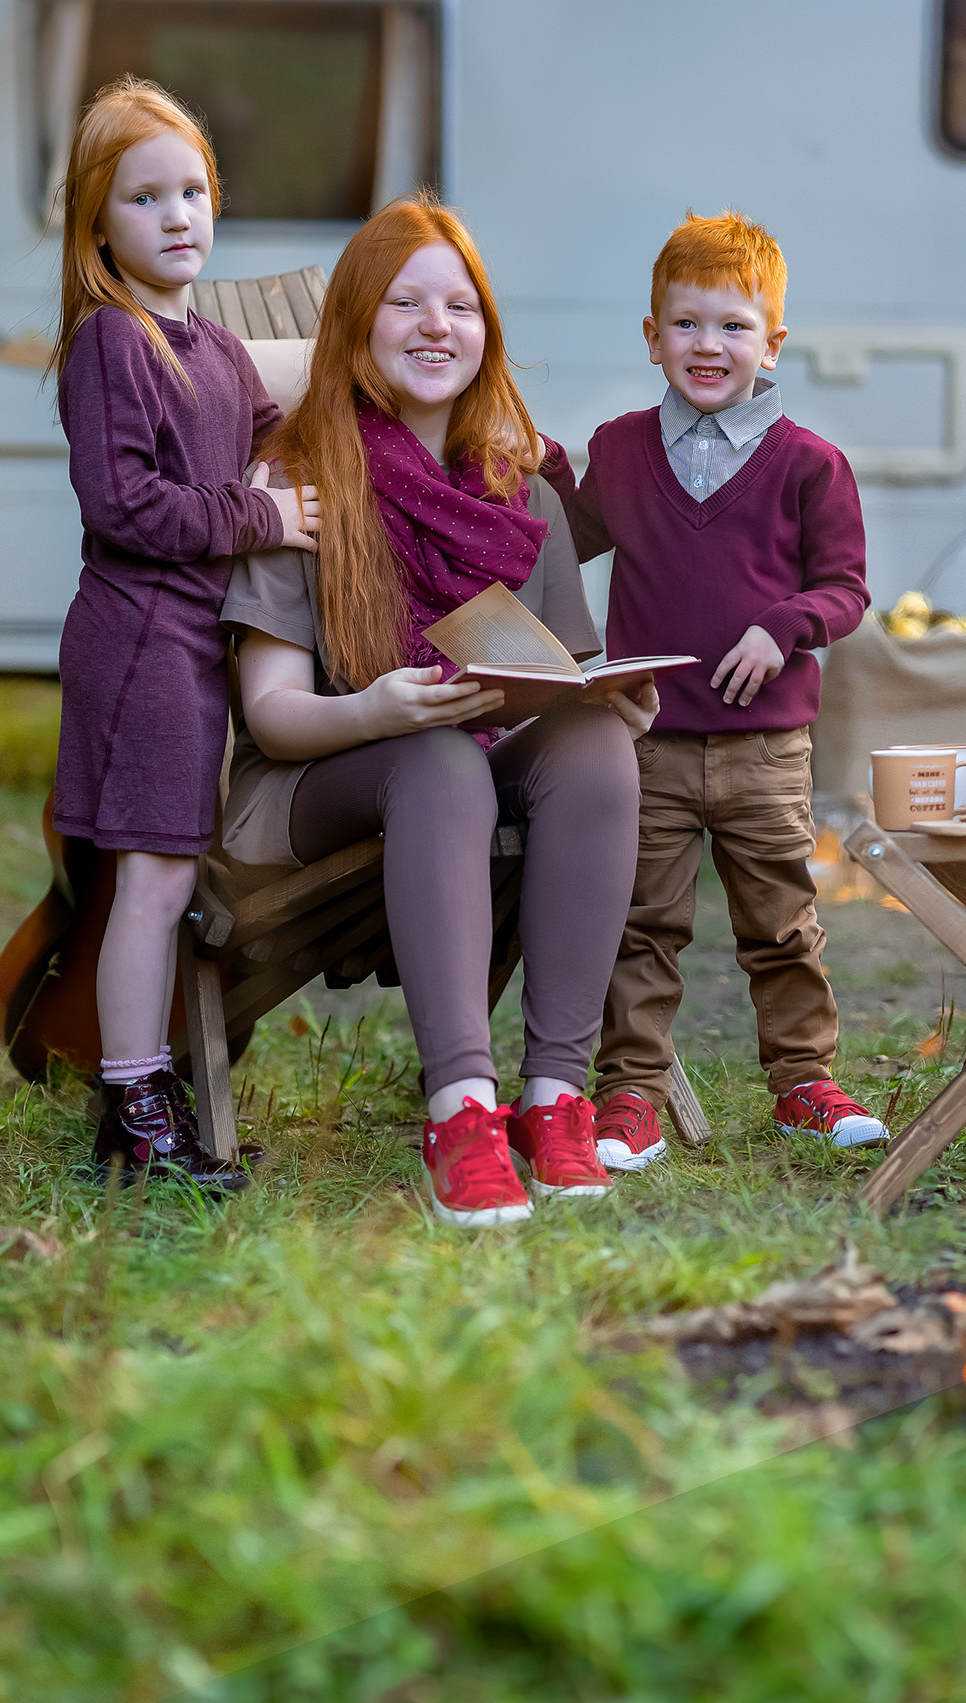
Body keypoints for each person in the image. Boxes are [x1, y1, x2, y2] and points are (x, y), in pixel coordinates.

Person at [221, 195, 653, 1228]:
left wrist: (603, 701)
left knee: (590, 743)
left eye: (458, 306)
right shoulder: (304, 482)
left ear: (485, 333)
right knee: (438, 757)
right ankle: (460, 1111)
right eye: (405, 302)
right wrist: (376, 709)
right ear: (359, 322)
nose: (434, 325)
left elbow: (559, 682)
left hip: (461, 762)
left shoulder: (522, 492)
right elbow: (272, 714)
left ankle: (554, 1099)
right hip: (318, 776)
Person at [551, 211, 890, 1167]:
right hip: (645, 743)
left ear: (773, 341)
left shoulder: (810, 465)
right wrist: (529, 475)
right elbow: (564, 547)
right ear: (651, 336)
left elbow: (845, 589)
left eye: (734, 326)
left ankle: (803, 1083)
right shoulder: (618, 451)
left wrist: (785, 625)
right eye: (687, 324)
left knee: (780, 922)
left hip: (766, 747)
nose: (710, 346)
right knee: (640, 925)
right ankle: (629, 1098)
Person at [50, 76, 315, 1190]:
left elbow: (273, 432)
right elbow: (125, 507)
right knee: (150, 878)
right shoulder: (115, 342)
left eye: (193, 191)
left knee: (165, 872)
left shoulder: (207, 346)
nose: (177, 216)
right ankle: (133, 1108)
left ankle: (145, 1092)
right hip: (138, 644)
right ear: (97, 224)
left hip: (190, 642)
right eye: (144, 197)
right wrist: (261, 514)